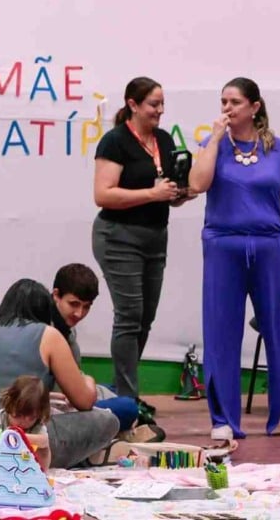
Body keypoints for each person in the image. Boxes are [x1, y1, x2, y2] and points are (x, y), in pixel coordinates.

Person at [188, 77, 280, 442]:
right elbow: (198, 184)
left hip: (268, 245)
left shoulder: (279, 150)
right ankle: (223, 419)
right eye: (223, 102)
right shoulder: (211, 145)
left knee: (278, 330)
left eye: (234, 102)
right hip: (223, 246)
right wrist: (215, 139)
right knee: (221, 332)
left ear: (254, 106)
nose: (227, 109)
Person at [92, 76, 194, 405]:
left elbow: (166, 190)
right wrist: (153, 193)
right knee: (129, 315)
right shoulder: (115, 141)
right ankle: (127, 397)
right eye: (153, 104)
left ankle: (123, 390)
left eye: (163, 104)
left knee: (145, 317)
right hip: (118, 236)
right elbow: (103, 194)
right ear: (133, 105)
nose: (160, 110)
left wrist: (177, 195)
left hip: (154, 236)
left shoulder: (163, 140)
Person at [0, 279, 118, 470]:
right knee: (109, 419)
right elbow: (84, 401)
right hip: (9, 448)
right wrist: (88, 379)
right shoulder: (48, 334)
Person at [50, 263, 154, 438]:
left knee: (113, 389)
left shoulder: (65, 325)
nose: (79, 313)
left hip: (69, 395)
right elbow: (69, 396)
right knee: (128, 407)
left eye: (86, 306)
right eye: (73, 304)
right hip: (56, 407)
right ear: (56, 295)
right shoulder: (49, 333)